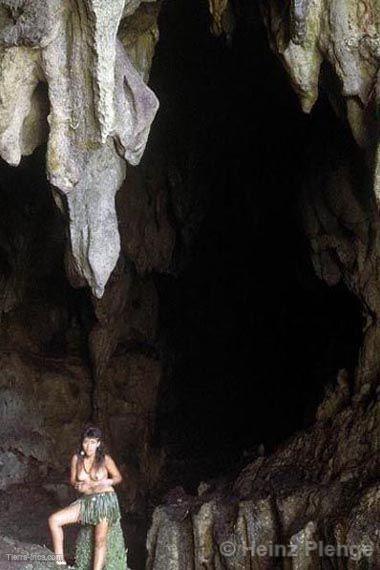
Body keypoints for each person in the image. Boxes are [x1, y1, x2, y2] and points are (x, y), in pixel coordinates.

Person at [48, 425, 128, 569]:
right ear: (82, 443)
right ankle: (59, 563)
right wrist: (78, 484)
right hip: (86, 501)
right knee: (54, 520)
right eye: (86, 442)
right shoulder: (76, 459)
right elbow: (72, 480)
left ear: (98, 443)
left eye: (92, 442)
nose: (88, 446)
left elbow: (118, 477)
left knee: (100, 540)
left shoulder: (105, 459)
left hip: (104, 501)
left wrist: (107, 481)